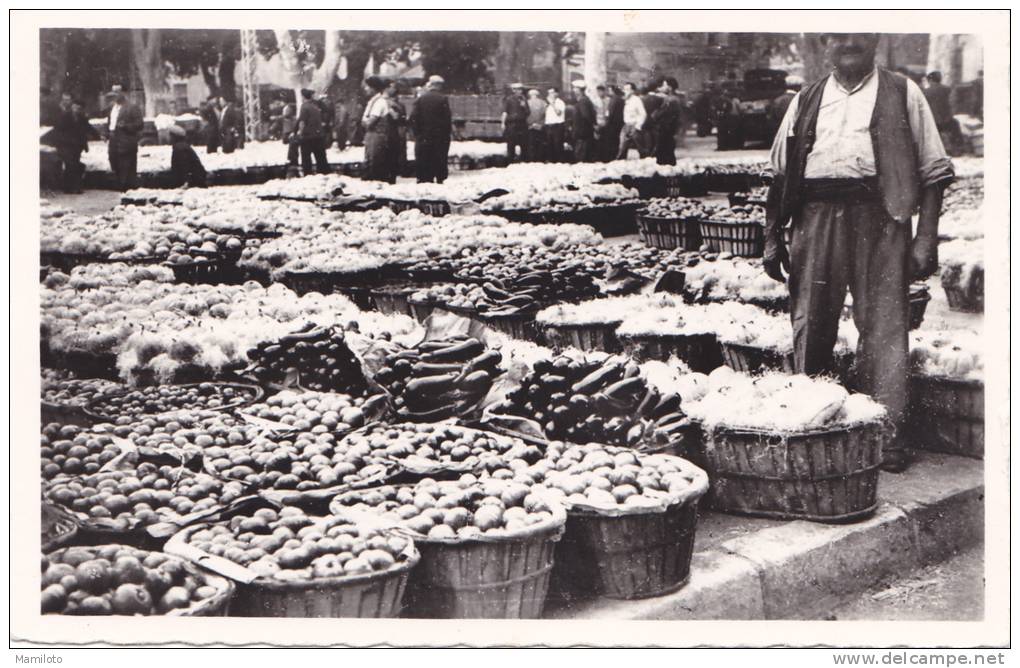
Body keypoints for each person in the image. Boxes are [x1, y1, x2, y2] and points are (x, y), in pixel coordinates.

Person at [763, 32, 954, 472]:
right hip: (815, 216)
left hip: (881, 217)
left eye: (858, 34)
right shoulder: (806, 98)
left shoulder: (904, 92)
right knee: (811, 318)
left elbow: (934, 171)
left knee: (885, 323)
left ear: (875, 42)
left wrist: (925, 237)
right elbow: (777, 174)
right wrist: (773, 235)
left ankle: (886, 433)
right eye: (837, 36)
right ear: (824, 45)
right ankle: (810, 423)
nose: (848, 42)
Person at [410, 74, 453, 184]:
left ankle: (424, 180)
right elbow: (447, 120)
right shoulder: (443, 99)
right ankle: (439, 179)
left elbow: (413, 117)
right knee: (439, 159)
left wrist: (417, 133)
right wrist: (446, 135)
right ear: (438, 86)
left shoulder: (420, 99)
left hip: (423, 137)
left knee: (424, 160)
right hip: (439, 138)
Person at [53, 94, 93, 193]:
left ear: (82, 109)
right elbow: (58, 130)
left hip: (77, 146)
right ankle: (69, 188)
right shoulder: (64, 116)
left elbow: (89, 127)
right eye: (75, 107)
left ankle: (74, 187)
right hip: (66, 145)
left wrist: (100, 135)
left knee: (74, 165)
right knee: (70, 165)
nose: (77, 110)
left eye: (79, 108)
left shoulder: (82, 117)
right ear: (72, 106)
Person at [105, 88, 143, 191]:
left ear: (124, 93)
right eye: (113, 93)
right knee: (113, 160)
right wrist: (106, 133)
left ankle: (127, 187)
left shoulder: (132, 107)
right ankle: (119, 184)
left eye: (117, 93)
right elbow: (109, 123)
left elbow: (139, 124)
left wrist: (126, 126)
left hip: (126, 140)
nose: (115, 95)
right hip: (113, 140)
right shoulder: (112, 108)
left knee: (126, 164)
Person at [362, 76, 395, 182]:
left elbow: (369, 123)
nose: (365, 89)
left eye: (367, 87)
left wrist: (365, 121)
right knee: (370, 162)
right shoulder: (373, 101)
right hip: (372, 135)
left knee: (375, 164)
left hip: (377, 136)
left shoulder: (379, 102)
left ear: (373, 88)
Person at [923, 71, 962, 155]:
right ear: (940, 79)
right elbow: (953, 103)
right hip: (946, 120)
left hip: (932, 122)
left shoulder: (925, 92)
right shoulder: (947, 89)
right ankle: (957, 149)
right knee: (956, 125)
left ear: (930, 80)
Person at [297, 89, 330, 175]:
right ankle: (324, 173)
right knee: (321, 157)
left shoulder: (304, 106)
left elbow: (302, 122)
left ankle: (308, 175)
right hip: (318, 135)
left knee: (306, 158)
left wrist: (300, 133)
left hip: (307, 136)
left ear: (303, 97)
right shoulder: (315, 106)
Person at [651, 77, 681, 165]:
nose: (662, 87)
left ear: (670, 87)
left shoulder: (671, 100)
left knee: (664, 156)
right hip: (668, 129)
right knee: (667, 154)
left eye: (664, 85)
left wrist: (655, 114)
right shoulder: (673, 99)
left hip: (666, 130)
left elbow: (658, 114)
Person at [615, 82, 646, 160]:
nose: (625, 91)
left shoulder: (637, 100)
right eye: (624, 89)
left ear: (633, 91)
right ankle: (620, 164)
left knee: (641, 148)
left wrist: (638, 126)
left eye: (627, 89)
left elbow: (643, 114)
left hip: (634, 126)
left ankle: (644, 164)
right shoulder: (624, 100)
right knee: (622, 147)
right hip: (626, 125)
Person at [570, 80, 597, 163]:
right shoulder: (583, 100)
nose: (573, 90)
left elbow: (586, 116)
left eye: (575, 88)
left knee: (581, 155)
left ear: (580, 90)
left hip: (582, 132)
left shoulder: (583, 101)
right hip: (583, 132)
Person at [501, 83, 528, 162]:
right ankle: (510, 161)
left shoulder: (524, 100)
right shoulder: (509, 99)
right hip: (511, 124)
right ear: (514, 90)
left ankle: (523, 161)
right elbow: (505, 112)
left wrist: (524, 106)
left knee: (523, 143)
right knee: (511, 143)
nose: (519, 91)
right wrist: (502, 123)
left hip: (522, 124)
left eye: (520, 90)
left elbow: (528, 112)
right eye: (517, 90)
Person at [639, 80, 663, 158]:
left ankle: (647, 155)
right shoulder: (660, 99)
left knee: (646, 140)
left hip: (645, 122)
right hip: (655, 122)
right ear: (656, 88)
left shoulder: (643, 99)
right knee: (655, 140)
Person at [544, 88, 567, 163]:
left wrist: (552, 104)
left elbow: (558, 113)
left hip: (557, 126)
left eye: (552, 92)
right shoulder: (548, 104)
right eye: (549, 93)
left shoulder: (560, 102)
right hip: (549, 126)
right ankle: (551, 161)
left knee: (558, 144)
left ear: (557, 93)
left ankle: (560, 161)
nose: (550, 95)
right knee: (550, 144)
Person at [525, 89, 547, 162]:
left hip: (530, 126)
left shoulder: (526, 103)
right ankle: (540, 159)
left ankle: (532, 159)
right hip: (539, 126)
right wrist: (540, 124)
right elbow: (545, 115)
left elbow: (524, 115)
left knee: (531, 144)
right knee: (540, 144)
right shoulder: (543, 103)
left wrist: (530, 124)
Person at [603, 86, 625, 161]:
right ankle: (615, 154)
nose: (608, 92)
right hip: (619, 123)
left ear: (612, 91)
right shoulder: (621, 100)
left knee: (611, 140)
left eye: (609, 90)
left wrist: (607, 121)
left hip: (612, 124)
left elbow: (610, 112)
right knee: (616, 139)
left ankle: (611, 156)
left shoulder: (613, 100)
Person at [280, 102, 301, 177]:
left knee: (293, 143)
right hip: (290, 135)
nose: (284, 113)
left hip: (291, 135)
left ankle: (292, 162)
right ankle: (292, 162)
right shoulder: (287, 120)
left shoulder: (292, 120)